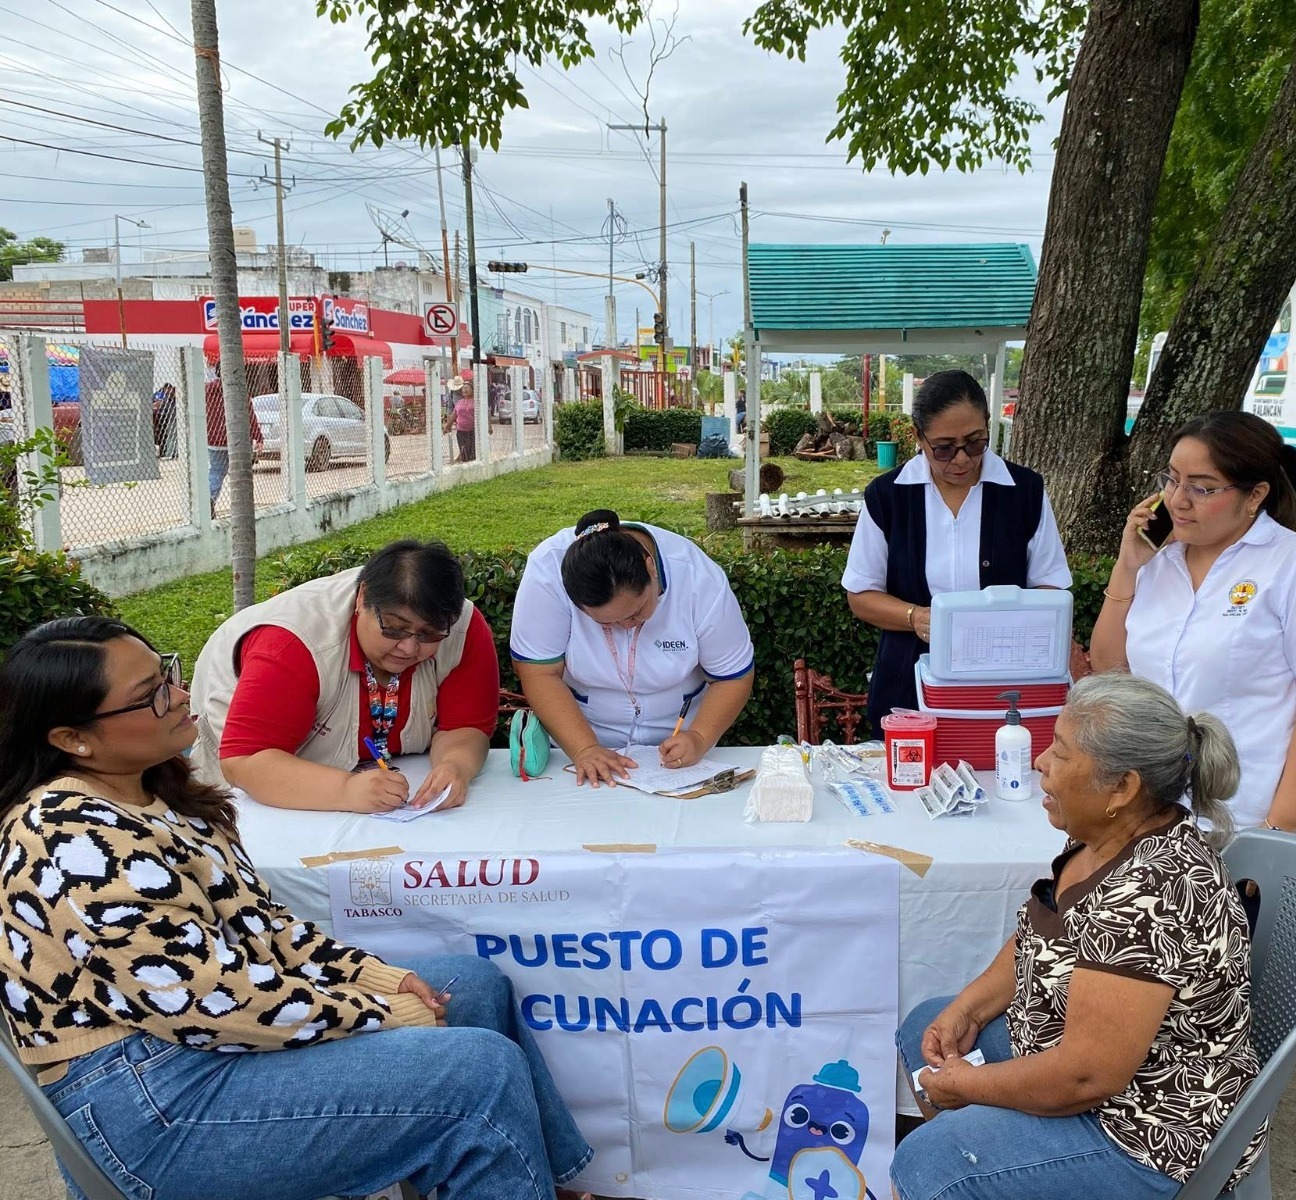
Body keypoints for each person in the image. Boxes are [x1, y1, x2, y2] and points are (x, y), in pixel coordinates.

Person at [0, 617, 592, 1200]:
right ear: (72, 739)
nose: (179, 696)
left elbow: (263, 927)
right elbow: (211, 1003)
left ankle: (545, 1182)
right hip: (152, 1103)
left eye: (168, 675)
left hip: (196, 1044)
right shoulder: (69, 838)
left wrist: (375, 978)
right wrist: (378, 1012)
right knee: (478, 1073)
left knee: (473, 985)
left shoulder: (151, 792)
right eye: (151, 695)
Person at [893, 672, 1266, 1200]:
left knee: (928, 1163)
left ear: (1122, 787)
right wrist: (968, 1010)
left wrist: (968, 1086)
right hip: (1072, 1055)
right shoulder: (1102, 838)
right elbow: (1038, 936)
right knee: (926, 1027)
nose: (1040, 762)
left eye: (1061, 752)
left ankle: (970, 1172)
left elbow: (1085, 1078)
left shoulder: (1150, 894)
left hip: (1148, 1127)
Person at [1090, 410, 1296, 835]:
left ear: (1255, 495)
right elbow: (1110, 671)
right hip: (1151, 807)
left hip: (1244, 816)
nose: (1178, 500)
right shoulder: (1159, 559)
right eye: (1172, 479)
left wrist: (1278, 827)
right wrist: (1127, 566)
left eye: (1202, 488)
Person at [191, 540, 498, 813]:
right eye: (394, 628)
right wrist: (347, 790)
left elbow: (466, 725)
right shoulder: (290, 645)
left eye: (428, 634)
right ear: (362, 598)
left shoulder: (462, 629)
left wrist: (455, 765)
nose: (408, 647)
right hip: (261, 789)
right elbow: (246, 761)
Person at [841, 369, 1071, 731]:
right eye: (944, 448)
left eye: (976, 443)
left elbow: (1051, 585)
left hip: (1006, 689)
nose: (962, 459)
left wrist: (1009, 621)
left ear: (989, 425)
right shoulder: (888, 496)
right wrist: (916, 617)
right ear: (917, 436)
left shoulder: (1024, 491)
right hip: (907, 685)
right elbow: (861, 594)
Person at [511, 509, 754, 787]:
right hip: (576, 742)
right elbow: (539, 674)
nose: (625, 626)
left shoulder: (697, 576)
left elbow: (732, 677)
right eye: (605, 623)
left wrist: (699, 737)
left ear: (651, 568)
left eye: (636, 612)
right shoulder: (547, 571)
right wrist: (584, 749)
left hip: (680, 748)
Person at [204, 377, 262, 518]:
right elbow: (250, 415)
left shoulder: (206, 391)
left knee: (216, 471)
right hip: (238, 438)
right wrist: (258, 437)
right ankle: (242, 504)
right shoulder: (239, 390)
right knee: (241, 473)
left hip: (213, 439)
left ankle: (209, 498)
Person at [450, 375, 477, 462]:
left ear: (472, 390)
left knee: (473, 453)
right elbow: (454, 415)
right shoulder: (459, 402)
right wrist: (447, 426)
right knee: (463, 451)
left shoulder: (476, 401)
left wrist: (489, 426)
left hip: (473, 431)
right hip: (461, 431)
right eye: (464, 388)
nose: (465, 390)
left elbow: (486, 412)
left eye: (467, 388)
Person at [151, 382, 177, 460]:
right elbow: (158, 404)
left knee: (164, 435)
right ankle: (164, 452)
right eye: (168, 389)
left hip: (164, 416)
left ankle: (165, 452)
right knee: (162, 435)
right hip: (160, 416)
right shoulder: (161, 395)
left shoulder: (168, 396)